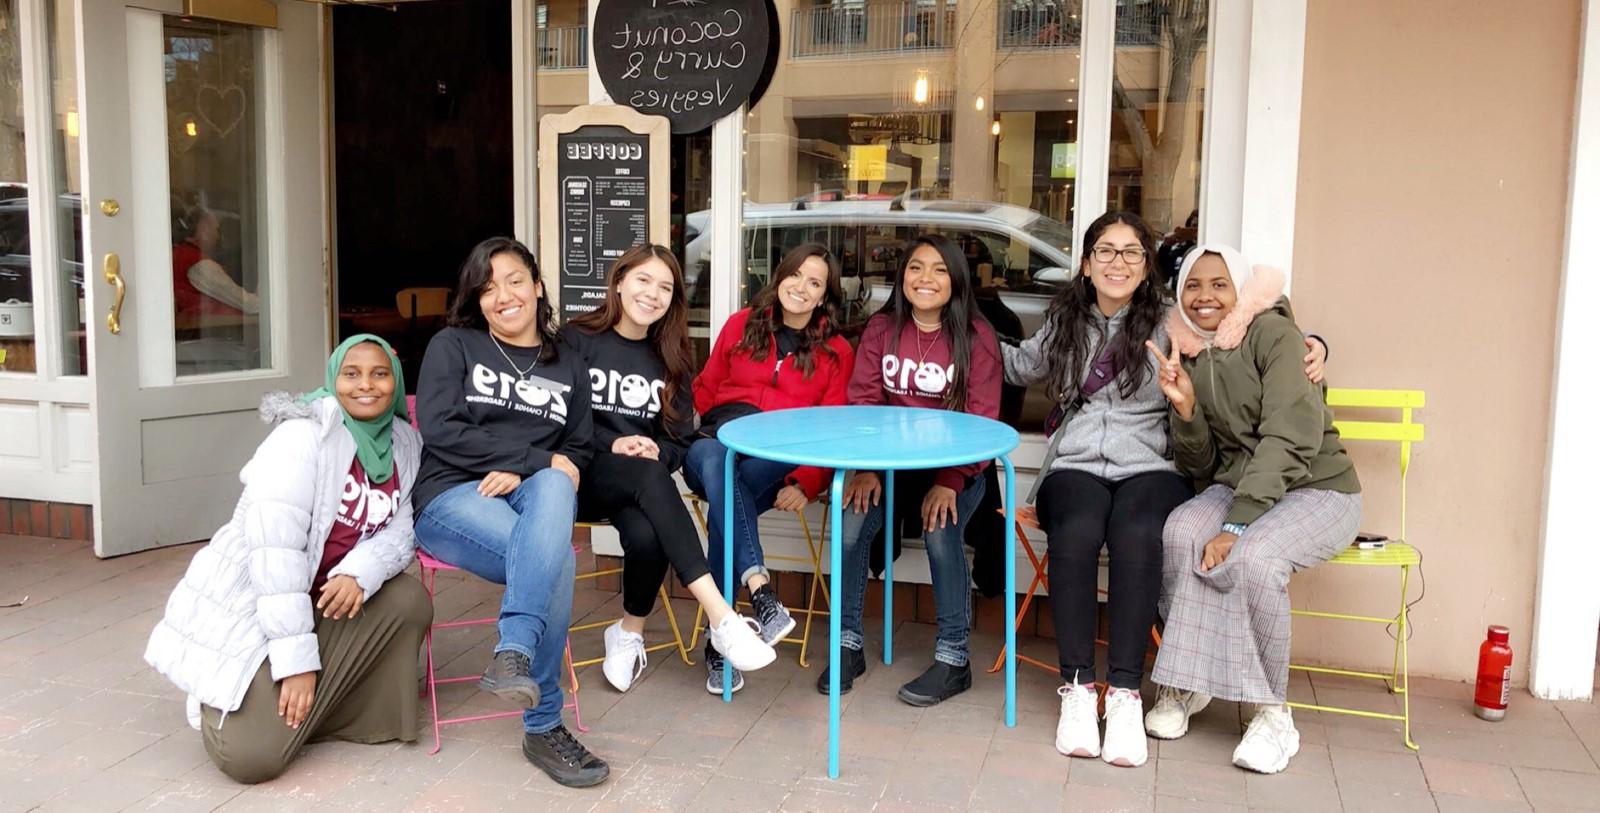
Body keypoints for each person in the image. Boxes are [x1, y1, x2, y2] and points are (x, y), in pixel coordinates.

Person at [1003, 213, 1332, 768]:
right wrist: (951, 327)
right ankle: (1080, 690)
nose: (1118, 263)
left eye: (1132, 253)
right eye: (1106, 252)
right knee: (1078, 528)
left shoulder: (1173, 323)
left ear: (1146, 266)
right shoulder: (1063, 324)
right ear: (1086, 265)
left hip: (1152, 466)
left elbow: (1245, 321)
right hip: (1075, 466)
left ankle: (1128, 694)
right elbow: (1014, 365)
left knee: (1137, 533)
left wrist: (1314, 343)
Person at [144, 334, 431, 784]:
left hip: (326, 601)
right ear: (333, 380)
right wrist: (296, 665)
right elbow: (274, 563)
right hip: (260, 604)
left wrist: (362, 570)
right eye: (351, 374)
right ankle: (222, 698)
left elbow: (401, 527)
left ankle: (345, 715)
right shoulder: (301, 438)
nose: (366, 386)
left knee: (406, 600)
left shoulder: (403, 444)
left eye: (380, 374)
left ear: (395, 382)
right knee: (251, 759)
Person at [1143, 245, 1362, 775]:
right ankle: (1186, 681)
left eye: (1220, 284)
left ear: (1242, 288)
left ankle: (1272, 714)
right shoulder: (1190, 349)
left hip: (1319, 489)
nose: (1205, 296)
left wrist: (1238, 524)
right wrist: (1186, 409)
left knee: (1256, 560)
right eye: (1193, 285)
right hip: (1242, 485)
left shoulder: (1275, 336)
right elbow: (1204, 464)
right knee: (1180, 533)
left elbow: (1291, 437)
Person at [410, 237, 607, 788]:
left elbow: (579, 452)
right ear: (476, 301)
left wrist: (532, 471)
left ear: (538, 286)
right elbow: (442, 429)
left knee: (552, 487)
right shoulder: (455, 346)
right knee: (557, 559)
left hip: (530, 494)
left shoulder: (567, 361)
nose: (503, 296)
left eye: (514, 280)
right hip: (454, 496)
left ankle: (513, 651)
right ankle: (543, 724)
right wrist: (534, 459)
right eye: (487, 287)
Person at [562, 244, 776, 693]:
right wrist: (614, 441)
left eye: (665, 288)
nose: (652, 294)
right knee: (647, 477)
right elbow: (557, 419)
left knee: (647, 532)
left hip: (641, 482)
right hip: (580, 474)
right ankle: (722, 617)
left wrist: (657, 452)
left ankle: (628, 632)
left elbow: (677, 440)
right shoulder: (576, 339)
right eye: (643, 280)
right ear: (619, 281)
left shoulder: (671, 356)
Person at [823, 233, 1001, 707]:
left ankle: (954, 657)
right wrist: (866, 468)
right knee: (850, 525)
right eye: (917, 267)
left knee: (942, 532)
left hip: (953, 470)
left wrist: (951, 481)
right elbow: (862, 403)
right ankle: (847, 645)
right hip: (887, 467)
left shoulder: (976, 338)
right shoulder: (882, 330)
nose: (926, 278)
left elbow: (982, 419)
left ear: (957, 280)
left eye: (940, 269)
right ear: (902, 276)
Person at [683, 242, 855, 694]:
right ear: (779, 278)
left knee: (726, 515)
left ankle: (721, 645)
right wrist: (672, 440)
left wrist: (807, 480)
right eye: (795, 275)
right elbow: (705, 388)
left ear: (824, 297)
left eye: (814, 283)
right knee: (718, 461)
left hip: (774, 460)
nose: (800, 287)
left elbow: (832, 428)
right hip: (714, 442)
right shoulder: (742, 325)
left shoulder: (835, 352)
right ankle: (760, 589)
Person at [172, 201, 258, 319]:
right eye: (216, 230)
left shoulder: (179, 255)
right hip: (219, 332)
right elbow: (250, 305)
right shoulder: (200, 264)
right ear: (204, 229)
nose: (218, 237)